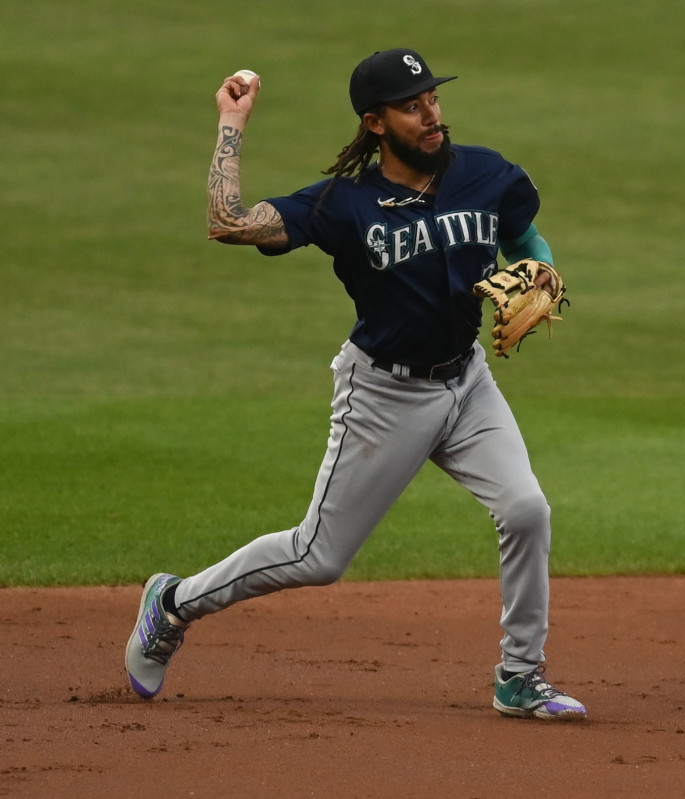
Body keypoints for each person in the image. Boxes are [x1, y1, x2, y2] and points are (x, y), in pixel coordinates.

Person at [124, 48, 587, 721]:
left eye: (432, 97)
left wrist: (543, 274)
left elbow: (526, 237)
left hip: (468, 383)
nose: (430, 113)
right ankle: (172, 603)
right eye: (411, 105)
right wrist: (232, 122)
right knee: (318, 555)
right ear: (376, 122)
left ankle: (520, 675)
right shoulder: (346, 204)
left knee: (527, 509)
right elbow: (228, 221)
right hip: (384, 396)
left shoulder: (486, 173)